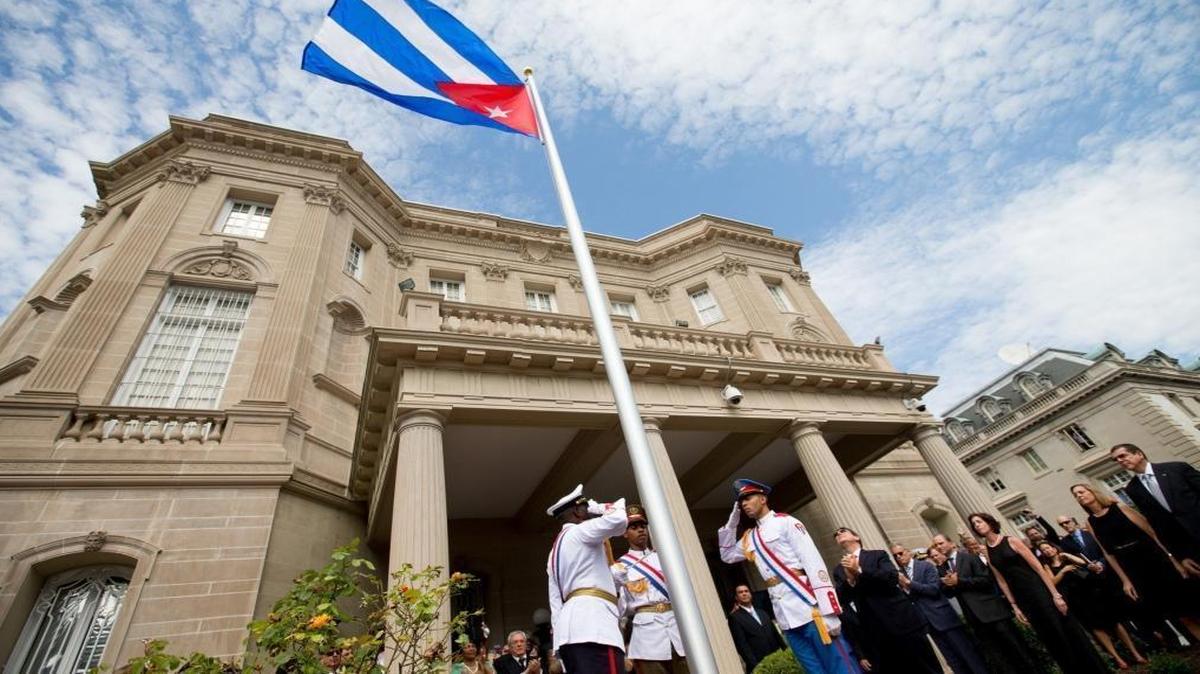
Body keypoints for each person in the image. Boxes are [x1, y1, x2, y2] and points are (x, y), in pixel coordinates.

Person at [717, 479, 856, 674]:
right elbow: (727, 555)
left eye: (748, 498)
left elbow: (813, 563)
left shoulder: (786, 522)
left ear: (763, 498)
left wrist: (829, 610)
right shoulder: (751, 537)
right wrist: (731, 525)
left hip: (809, 607)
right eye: (741, 502)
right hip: (785, 615)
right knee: (814, 670)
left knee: (839, 665)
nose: (744, 504)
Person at [967, 512, 1109, 674]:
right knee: (1052, 640)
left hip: (1040, 591)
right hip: (1024, 600)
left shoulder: (1011, 541)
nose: (977, 525)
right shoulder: (987, 552)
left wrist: (1055, 595)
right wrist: (1015, 606)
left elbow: (1038, 568)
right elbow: (1001, 581)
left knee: (1066, 633)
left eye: (979, 521)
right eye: (974, 524)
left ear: (989, 523)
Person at [1072, 482, 1200, 641]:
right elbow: (1108, 553)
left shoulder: (1119, 508)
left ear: (1092, 492)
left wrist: (1172, 558)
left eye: (1081, 492)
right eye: (1076, 495)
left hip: (1156, 560)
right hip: (1135, 569)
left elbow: (1152, 533)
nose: (1079, 496)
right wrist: (1126, 581)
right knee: (1178, 614)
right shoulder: (1090, 522)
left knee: (1191, 606)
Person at [831, 529, 939, 674]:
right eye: (836, 535)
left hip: (901, 621)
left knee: (926, 666)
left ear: (856, 536)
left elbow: (891, 578)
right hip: (875, 631)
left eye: (842, 531)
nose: (838, 534)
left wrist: (860, 570)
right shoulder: (839, 570)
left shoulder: (878, 555)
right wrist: (850, 579)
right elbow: (842, 599)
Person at [546, 483, 627, 674]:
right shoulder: (580, 532)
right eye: (585, 508)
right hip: (595, 627)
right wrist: (598, 507)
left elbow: (555, 603)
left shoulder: (553, 553)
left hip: (569, 635)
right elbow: (619, 519)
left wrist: (559, 643)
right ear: (577, 512)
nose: (589, 512)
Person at [930, 534, 1038, 674]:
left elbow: (986, 581)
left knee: (1018, 650)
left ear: (950, 543)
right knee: (998, 658)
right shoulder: (943, 567)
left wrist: (960, 582)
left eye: (940, 543)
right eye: (936, 545)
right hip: (974, 618)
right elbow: (949, 593)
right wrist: (947, 583)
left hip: (993, 612)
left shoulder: (970, 558)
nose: (938, 547)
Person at [1037, 541, 1145, 670]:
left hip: (1090, 593)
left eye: (1048, 547)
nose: (1047, 551)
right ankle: (1118, 658)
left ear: (1053, 548)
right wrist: (1063, 571)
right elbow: (1052, 582)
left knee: (1114, 622)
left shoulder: (1067, 556)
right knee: (1096, 628)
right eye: (1043, 550)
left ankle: (1135, 653)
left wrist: (1067, 556)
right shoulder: (1047, 566)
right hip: (1075, 600)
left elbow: (1084, 564)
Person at [610, 504, 688, 674]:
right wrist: (616, 585)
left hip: (676, 628)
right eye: (634, 527)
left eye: (643, 526)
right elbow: (619, 609)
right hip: (647, 634)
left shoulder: (664, 557)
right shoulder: (620, 566)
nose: (640, 530)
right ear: (625, 533)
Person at [891, 544, 987, 674]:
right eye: (895, 556)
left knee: (967, 654)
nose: (898, 557)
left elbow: (934, 589)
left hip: (943, 617)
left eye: (900, 553)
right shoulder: (900, 574)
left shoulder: (925, 566)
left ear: (908, 552)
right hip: (927, 622)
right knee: (952, 660)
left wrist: (909, 583)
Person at [1110, 443, 1200, 576]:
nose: (1119, 461)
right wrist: (1181, 556)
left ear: (1139, 454)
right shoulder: (1132, 489)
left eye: (1122, 456)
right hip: (1191, 551)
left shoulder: (1177, 468)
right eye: (1116, 459)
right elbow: (1157, 525)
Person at [727, 585, 786, 673]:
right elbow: (742, 645)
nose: (744, 594)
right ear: (736, 597)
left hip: (779, 661)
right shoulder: (735, 617)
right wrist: (756, 666)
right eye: (740, 592)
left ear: (751, 594)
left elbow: (776, 635)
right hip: (759, 666)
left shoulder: (763, 613)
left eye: (746, 591)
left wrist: (785, 652)